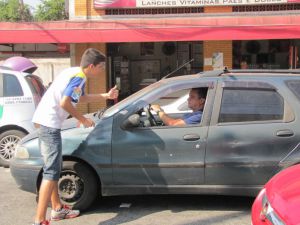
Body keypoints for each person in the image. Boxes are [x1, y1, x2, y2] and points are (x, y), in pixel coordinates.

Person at [31, 48, 119, 225]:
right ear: (92, 66)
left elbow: (79, 98)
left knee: (53, 169)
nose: (102, 70)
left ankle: (57, 210)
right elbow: (65, 102)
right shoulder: (79, 77)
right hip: (49, 125)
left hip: (44, 122)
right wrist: (82, 119)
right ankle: (39, 219)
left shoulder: (74, 72)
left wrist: (105, 95)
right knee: (51, 172)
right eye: (101, 67)